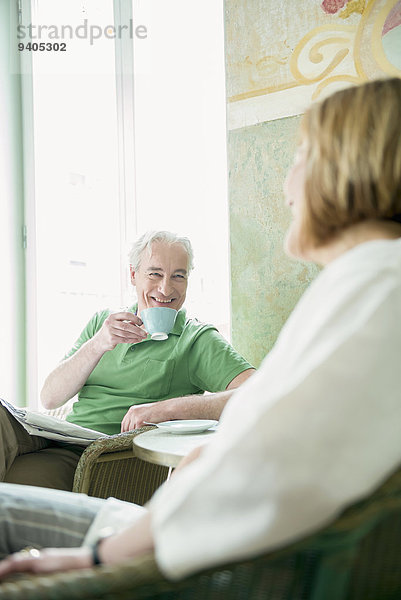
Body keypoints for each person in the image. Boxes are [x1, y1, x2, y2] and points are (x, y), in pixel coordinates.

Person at [1, 77, 401, 581]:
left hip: (185, 559)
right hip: (174, 532)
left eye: (301, 157)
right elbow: (273, 438)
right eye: (154, 274)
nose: (286, 185)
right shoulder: (366, 282)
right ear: (133, 278)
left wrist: (100, 559)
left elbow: (264, 450)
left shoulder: (375, 286)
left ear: (349, 168)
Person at [0, 230, 254, 491]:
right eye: (155, 274)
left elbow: (256, 393)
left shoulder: (195, 338)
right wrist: (99, 343)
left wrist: (166, 410)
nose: (166, 288)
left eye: (178, 276)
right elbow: (50, 398)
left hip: (104, 458)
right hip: (62, 439)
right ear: (133, 275)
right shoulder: (103, 323)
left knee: (14, 485)